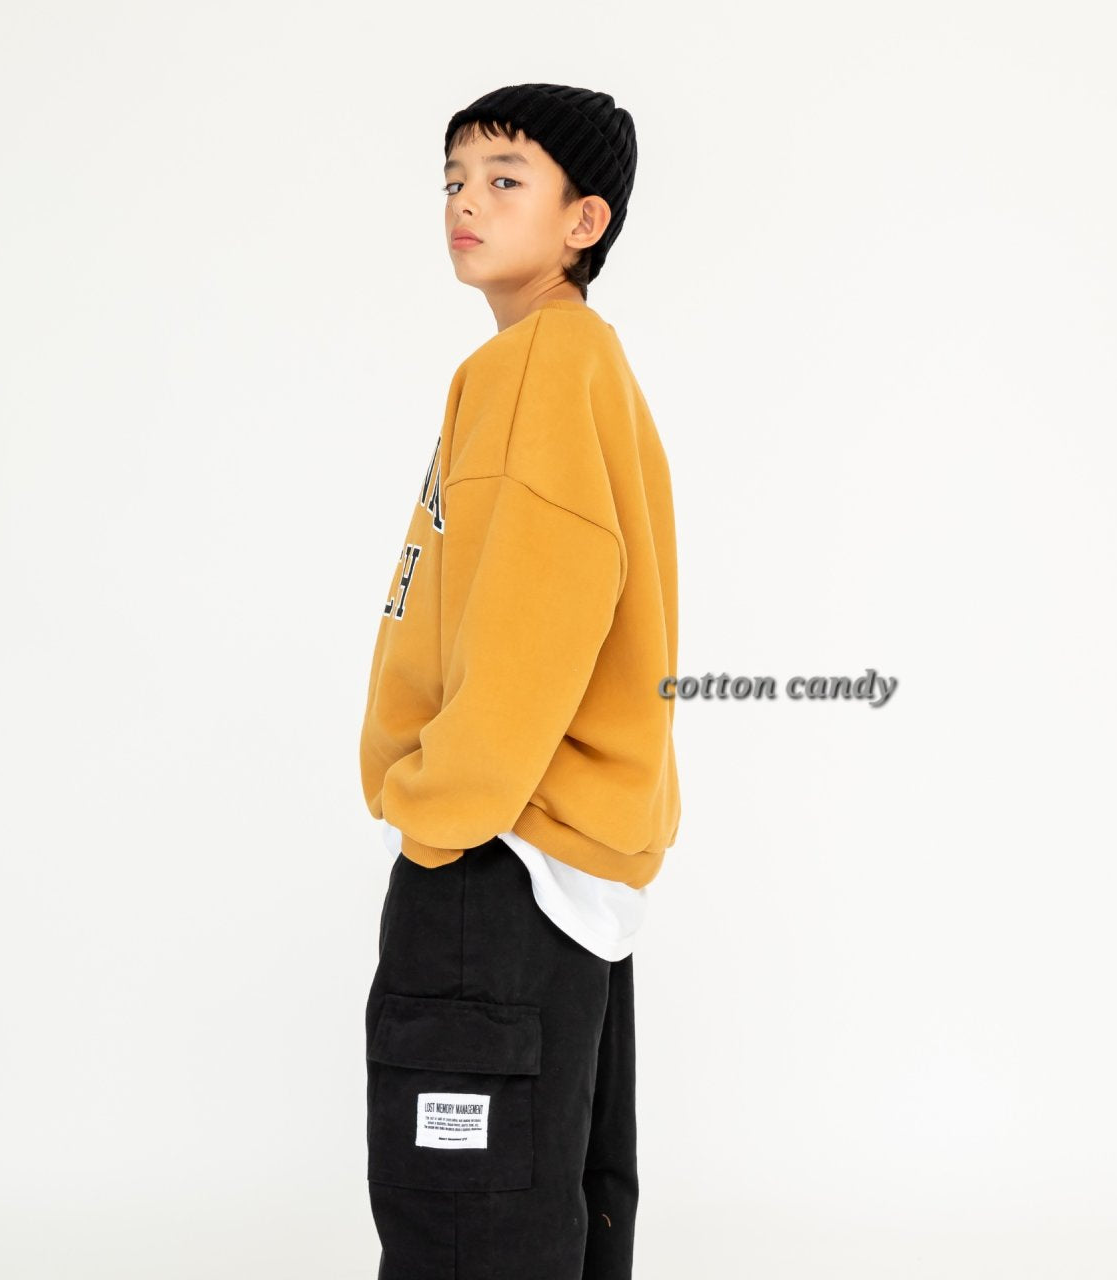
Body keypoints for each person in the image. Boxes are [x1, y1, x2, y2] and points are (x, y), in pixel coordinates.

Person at [358, 82, 680, 1279]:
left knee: (463, 1229)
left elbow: (540, 609)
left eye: (504, 179)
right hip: (564, 871)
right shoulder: (580, 365)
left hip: (498, 863)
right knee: (556, 1212)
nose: (466, 202)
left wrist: (440, 808)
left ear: (583, 221)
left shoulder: (536, 365)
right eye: (453, 179)